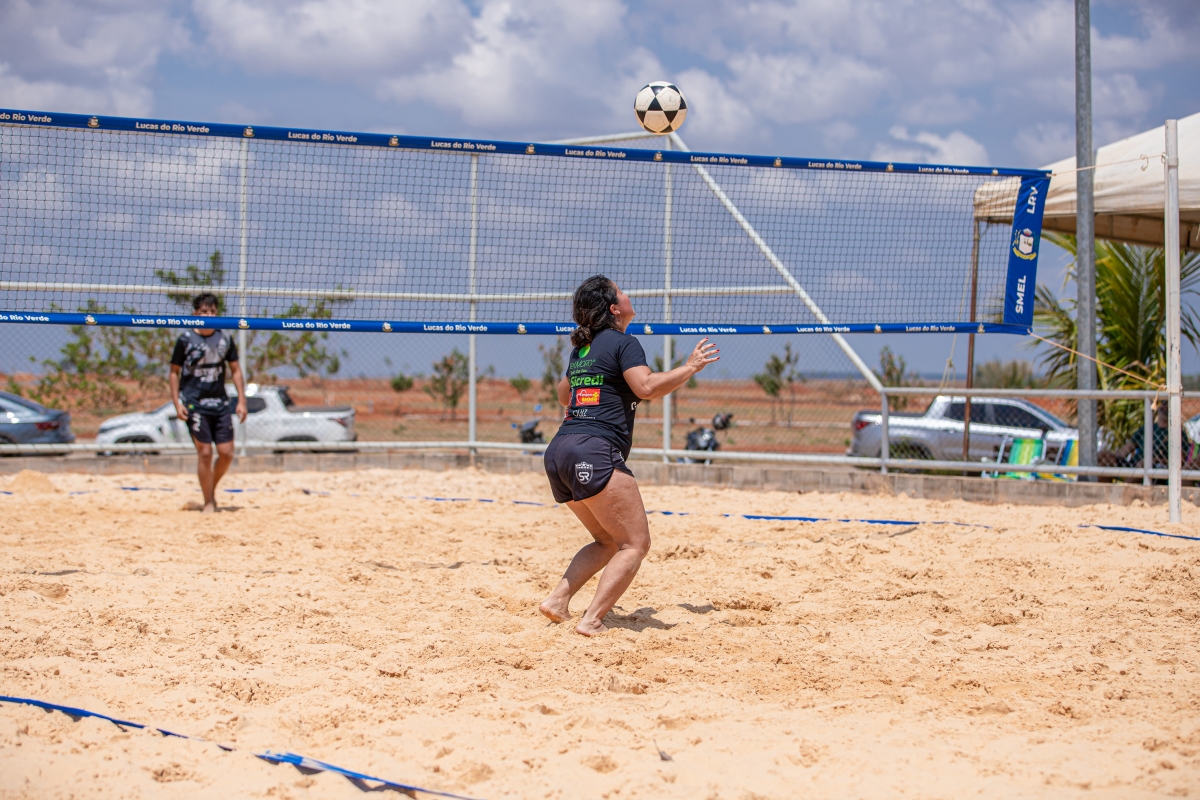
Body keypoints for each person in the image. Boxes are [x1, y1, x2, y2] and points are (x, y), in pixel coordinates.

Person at [539, 275, 719, 636]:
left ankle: (557, 601)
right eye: (621, 292)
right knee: (635, 544)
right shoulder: (624, 342)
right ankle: (592, 620)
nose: (628, 294)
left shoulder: (582, 348)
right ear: (614, 308)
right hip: (593, 449)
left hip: (559, 451)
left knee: (607, 541)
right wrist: (690, 367)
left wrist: (591, 382)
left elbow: (563, 396)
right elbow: (647, 387)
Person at [169, 293, 248, 513]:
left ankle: (209, 489)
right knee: (204, 453)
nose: (209, 315)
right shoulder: (185, 339)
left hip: (220, 403)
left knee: (227, 453)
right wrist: (177, 403)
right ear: (195, 313)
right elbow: (174, 372)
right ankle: (208, 502)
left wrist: (241, 400)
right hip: (195, 403)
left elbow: (235, 370)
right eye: (204, 311)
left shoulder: (224, 338)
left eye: (213, 311)